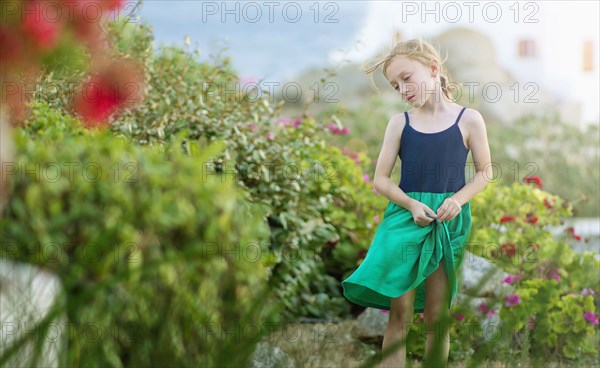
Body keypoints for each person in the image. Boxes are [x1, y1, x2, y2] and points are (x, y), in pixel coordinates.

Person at [341, 38, 492, 368]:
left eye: (406, 78)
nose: (402, 89)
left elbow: (485, 172)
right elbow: (380, 180)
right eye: (395, 85)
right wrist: (410, 205)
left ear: (434, 70)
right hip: (404, 221)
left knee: (437, 315)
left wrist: (457, 199)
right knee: (400, 312)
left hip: (446, 222)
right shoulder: (400, 123)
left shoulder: (469, 120)